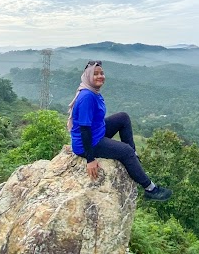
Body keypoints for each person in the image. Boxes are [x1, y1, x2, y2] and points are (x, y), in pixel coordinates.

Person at [68, 60, 172, 201]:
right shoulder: (87, 96)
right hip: (88, 143)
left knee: (123, 117)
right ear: (87, 76)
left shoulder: (93, 91)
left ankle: (133, 156)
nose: (100, 76)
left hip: (97, 132)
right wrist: (90, 159)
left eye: (101, 73)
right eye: (95, 74)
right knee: (125, 151)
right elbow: (84, 129)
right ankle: (150, 189)